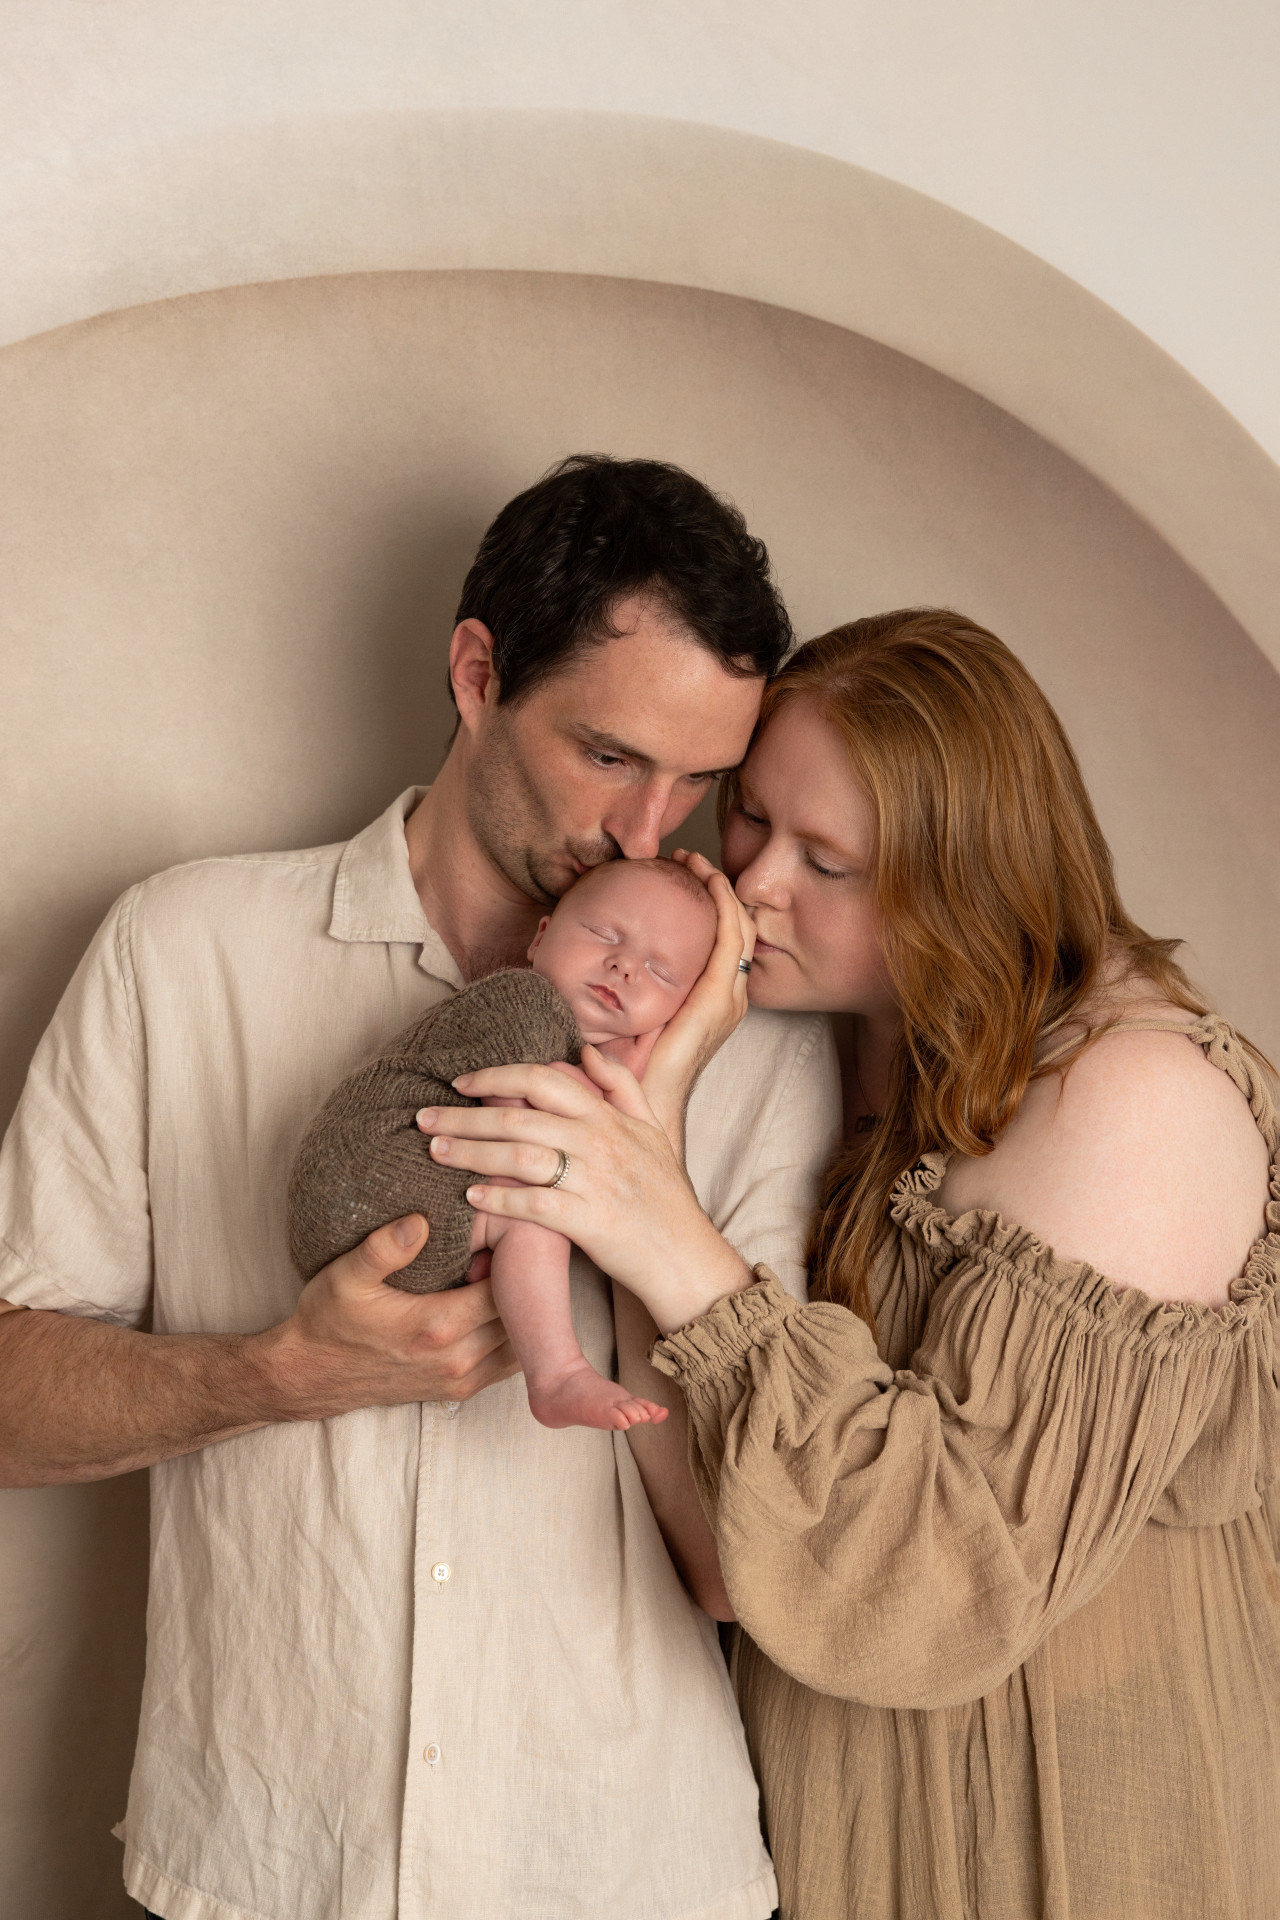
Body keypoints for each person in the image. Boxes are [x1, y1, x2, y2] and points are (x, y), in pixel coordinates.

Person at [0, 455, 842, 1920]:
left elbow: (735, 1571)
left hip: (623, 1875)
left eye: (704, 783)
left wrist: (652, 1140)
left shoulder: (754, 1053)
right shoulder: (180, 951)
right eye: (610, 755)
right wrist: (274, 1375)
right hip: (262, 1875)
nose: (653, 833)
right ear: (475, 672)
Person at [427, 608, 1279, 1920]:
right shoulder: (826, 1037)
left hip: (1057, 1840)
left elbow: (929, 1586)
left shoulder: (1134, 1099)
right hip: (831, 1823)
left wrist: (665, 1229)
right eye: (755, 818)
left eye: (830, 862)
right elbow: (727, 1548)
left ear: (970, 881)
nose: (754, 885)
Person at [289, 855, 719, 1431]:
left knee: (532, 1201)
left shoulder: (565, 1044)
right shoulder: (523, 1001)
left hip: (385, 1221)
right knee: (535, 1198)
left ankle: (494, 1265)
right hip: (366, 1168)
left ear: (680, 1009)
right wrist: (624, 1078)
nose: (624, 967)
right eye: (604, 934)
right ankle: (558, 1373)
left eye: (661, 973)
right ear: (540, 939)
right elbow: (527, 1134)